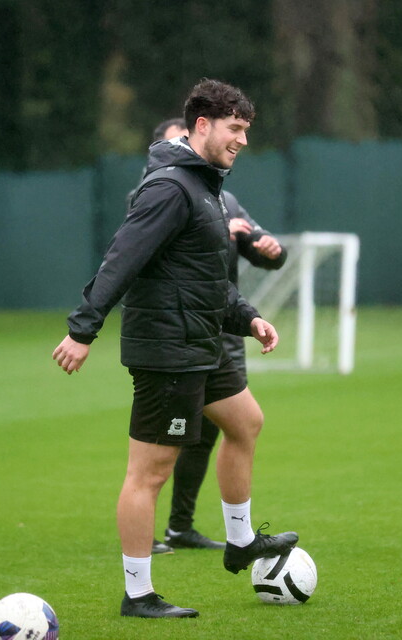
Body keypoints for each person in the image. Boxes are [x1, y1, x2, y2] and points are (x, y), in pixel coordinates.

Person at [52, 79, 298, 619]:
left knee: (245, 422)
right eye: (236, 129)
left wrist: (248, 317)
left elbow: (204, 278)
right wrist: (82, 330)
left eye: (246, 130)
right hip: (168, 350)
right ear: (202, 126)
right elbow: (122, 261)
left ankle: (240, 542)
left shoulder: (206, 186)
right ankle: (138, 594)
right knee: (150, 472)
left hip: (202, 341)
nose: (243, 140)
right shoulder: (169, 188)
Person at [149, 118, 289, 554]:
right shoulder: (158, 196)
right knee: (163, 445)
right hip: (179, 334)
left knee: (223, 430)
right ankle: (147, 541)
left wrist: (271, 248)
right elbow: (142, 259)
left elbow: (260, 243)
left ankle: (185, 528)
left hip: (225, 330)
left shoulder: (224, 197)